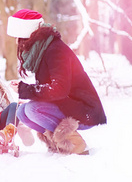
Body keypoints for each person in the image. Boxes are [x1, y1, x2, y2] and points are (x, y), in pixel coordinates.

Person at [6, 9, 107, 154]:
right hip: (67, 105)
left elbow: (59, 89)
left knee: (32, 109)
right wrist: (29, 93)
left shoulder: (55, 50)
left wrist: (26, 90)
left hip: (84, 111)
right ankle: (56, 144)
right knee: (22, 111)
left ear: (28, 35)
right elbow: (50, 89)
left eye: (18, 37)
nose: (17, 42)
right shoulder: (42, 50)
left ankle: (75, 145)